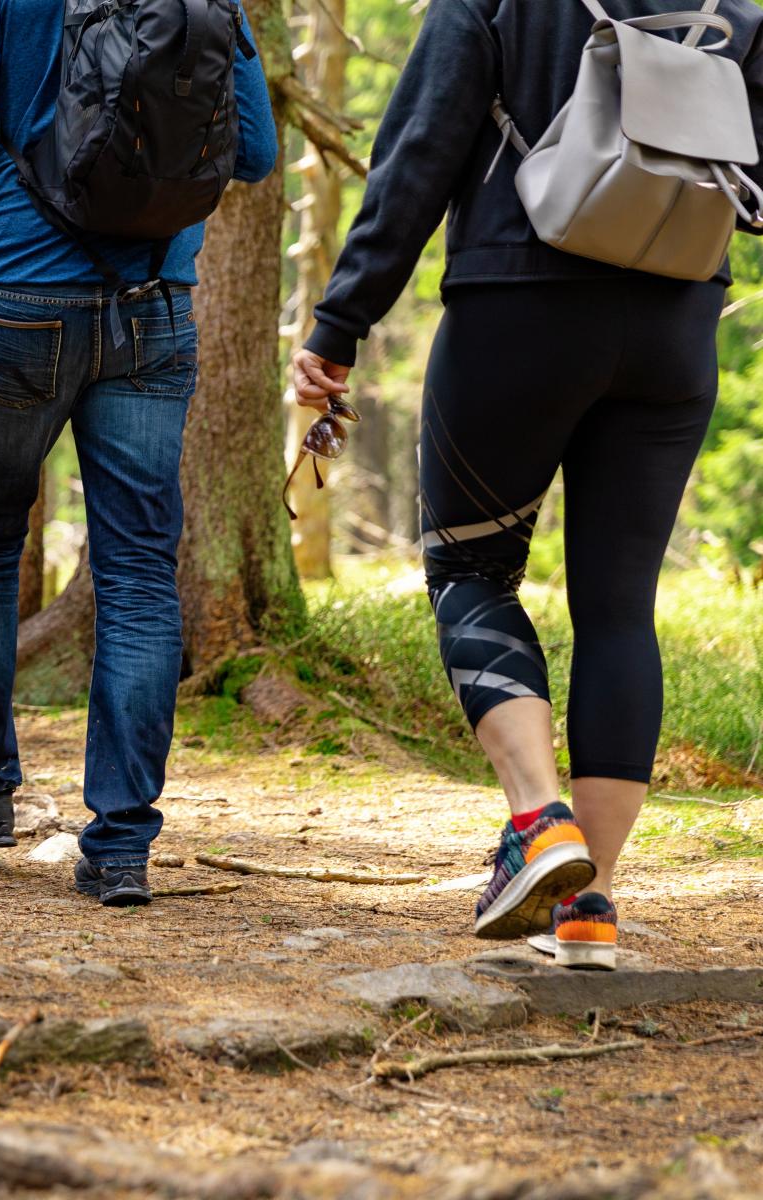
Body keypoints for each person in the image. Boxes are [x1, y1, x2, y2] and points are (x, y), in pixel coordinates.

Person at [292, 0, 763, 968]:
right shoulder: (740, 11)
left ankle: (539, 821)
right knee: (620, 611)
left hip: (519, 307)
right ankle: (590, 909)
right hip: (677, 326)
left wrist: (340, 325)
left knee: (471, 570)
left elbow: (418, 156)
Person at [0, 0, 276, 907]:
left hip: (19, 298)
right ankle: (120, 844)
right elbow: (256, 152)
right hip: (152, 305)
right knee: (140, 571)